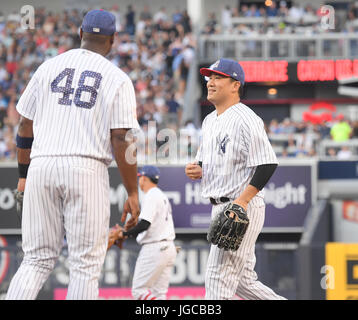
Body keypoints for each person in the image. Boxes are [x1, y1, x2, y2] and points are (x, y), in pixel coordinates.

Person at [6, 9, 140, 300]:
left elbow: (24, 124)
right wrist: (132, 190)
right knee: (85, 266)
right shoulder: (117, 78)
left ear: (80, 33)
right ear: (113, 40)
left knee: (36, 260)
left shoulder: (48, 67)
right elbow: (121, 138)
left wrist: (22, 178)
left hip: (41, 165)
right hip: (86, 167)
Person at [185, 58, 286, 300]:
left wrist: (241, 202)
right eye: (209, 77)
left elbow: (267, 163)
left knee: (217, 279)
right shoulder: (210, 120)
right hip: (221, 206)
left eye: (218, 77)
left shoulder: (245, 118)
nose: (210, 82)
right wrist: (199, 169)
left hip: (241, 206)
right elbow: (205, 161)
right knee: (243, 282)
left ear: (235, 85)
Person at [108, 165, 177, 300]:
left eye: (140, 178)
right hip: (169, 248)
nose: (139, 181)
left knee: (139, 291)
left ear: (144, 179)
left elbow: (145, 224)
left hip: (154, 248)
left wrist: (124, 234)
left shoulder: (151, 195)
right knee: (159, 294)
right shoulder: (161, 195)